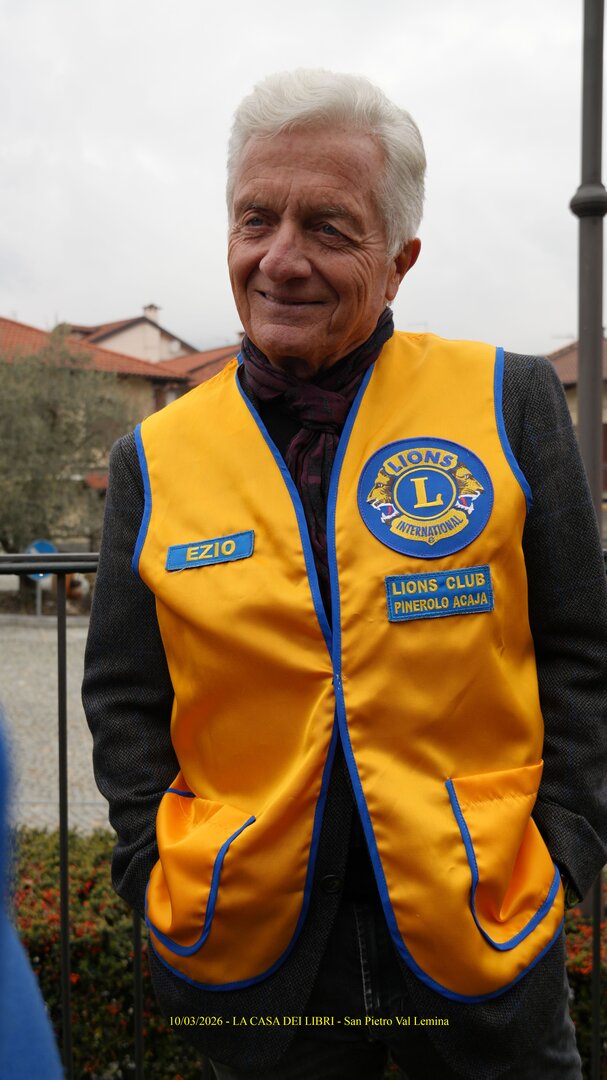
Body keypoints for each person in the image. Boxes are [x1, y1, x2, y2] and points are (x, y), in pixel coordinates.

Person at [82, 69, 607, 1080]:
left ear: (399, 260)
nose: (281, 259)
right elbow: (124, 694)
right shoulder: (152, 456)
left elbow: (581, 650)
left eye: (327, 227)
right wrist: (152, 866)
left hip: (481, 926)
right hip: (255, 945)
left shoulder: (508, 399)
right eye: (255, 219)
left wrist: (565, 848)